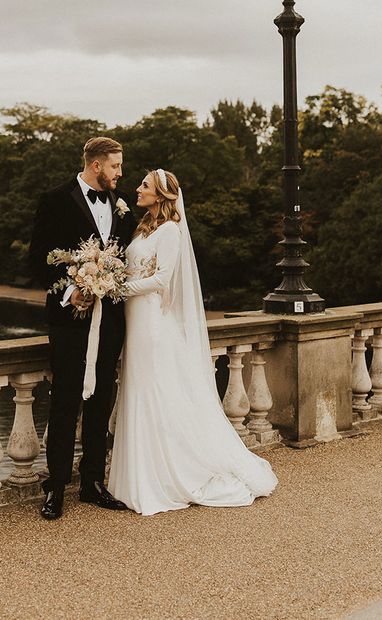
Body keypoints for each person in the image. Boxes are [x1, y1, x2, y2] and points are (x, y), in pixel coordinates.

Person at [108, 169, 278, 515]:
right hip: (134, 321)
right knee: (138, 391)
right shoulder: (143, 227)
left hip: (151, 321)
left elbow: (162, 279)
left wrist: (118, 289)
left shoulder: (170, 230)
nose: (137, 189)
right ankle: (138, 475)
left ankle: (165, 476)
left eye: (144, 186)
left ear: (161, 195)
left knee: (152, 392)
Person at [29, 136, 137, 520]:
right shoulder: (54, 200)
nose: (120, 174)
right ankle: (55, 488)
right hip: (69, 322)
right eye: (115, 166)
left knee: (100, 401)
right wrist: (71, 290)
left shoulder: (122, 206)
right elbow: (38, 259)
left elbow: (126, 259)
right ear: (96, 166)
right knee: (64, 403)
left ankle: (92, 482)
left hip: (109, 322)